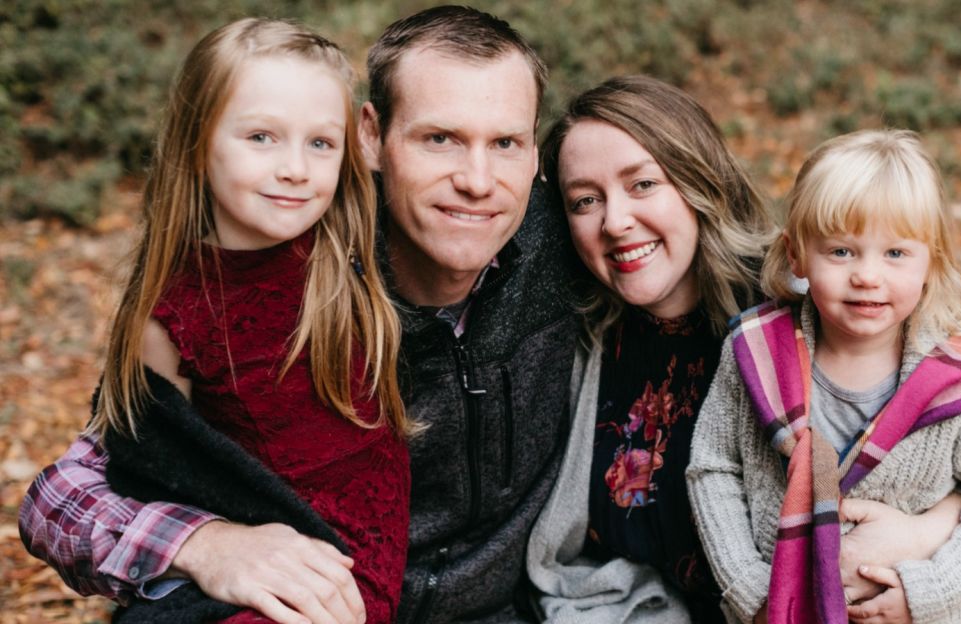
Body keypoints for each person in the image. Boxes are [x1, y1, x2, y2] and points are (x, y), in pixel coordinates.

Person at [20, 7, 578, 624]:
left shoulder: (566, 246)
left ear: (534, 152)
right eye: (438, 138)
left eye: (505, 143)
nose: (477, 180)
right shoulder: (307, 265)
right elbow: (62, 498)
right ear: (369, 136)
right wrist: (201, 543)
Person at [526, 79, 961, 623]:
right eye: (585, 200)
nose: (615, 222)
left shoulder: (809, 306)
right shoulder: (570, 337)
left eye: (642, 184)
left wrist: (928, 529)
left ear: (697, 182)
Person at [55, 17, 411, 623]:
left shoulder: (347, 256)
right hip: (265, 567)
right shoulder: (171, 314)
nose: (296, 168)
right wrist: (203, 548)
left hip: (351, 573)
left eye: (320, 143)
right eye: (262, 138)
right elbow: (145, 463)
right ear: (199, 142)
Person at [686, 129, 961, 623]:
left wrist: (927, 590)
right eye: (841, 251)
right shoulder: (754, 353)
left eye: (895, 254)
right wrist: (751, 591)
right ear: (797, 254)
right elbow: (714, 468)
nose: (867, 275)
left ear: (932, 262)